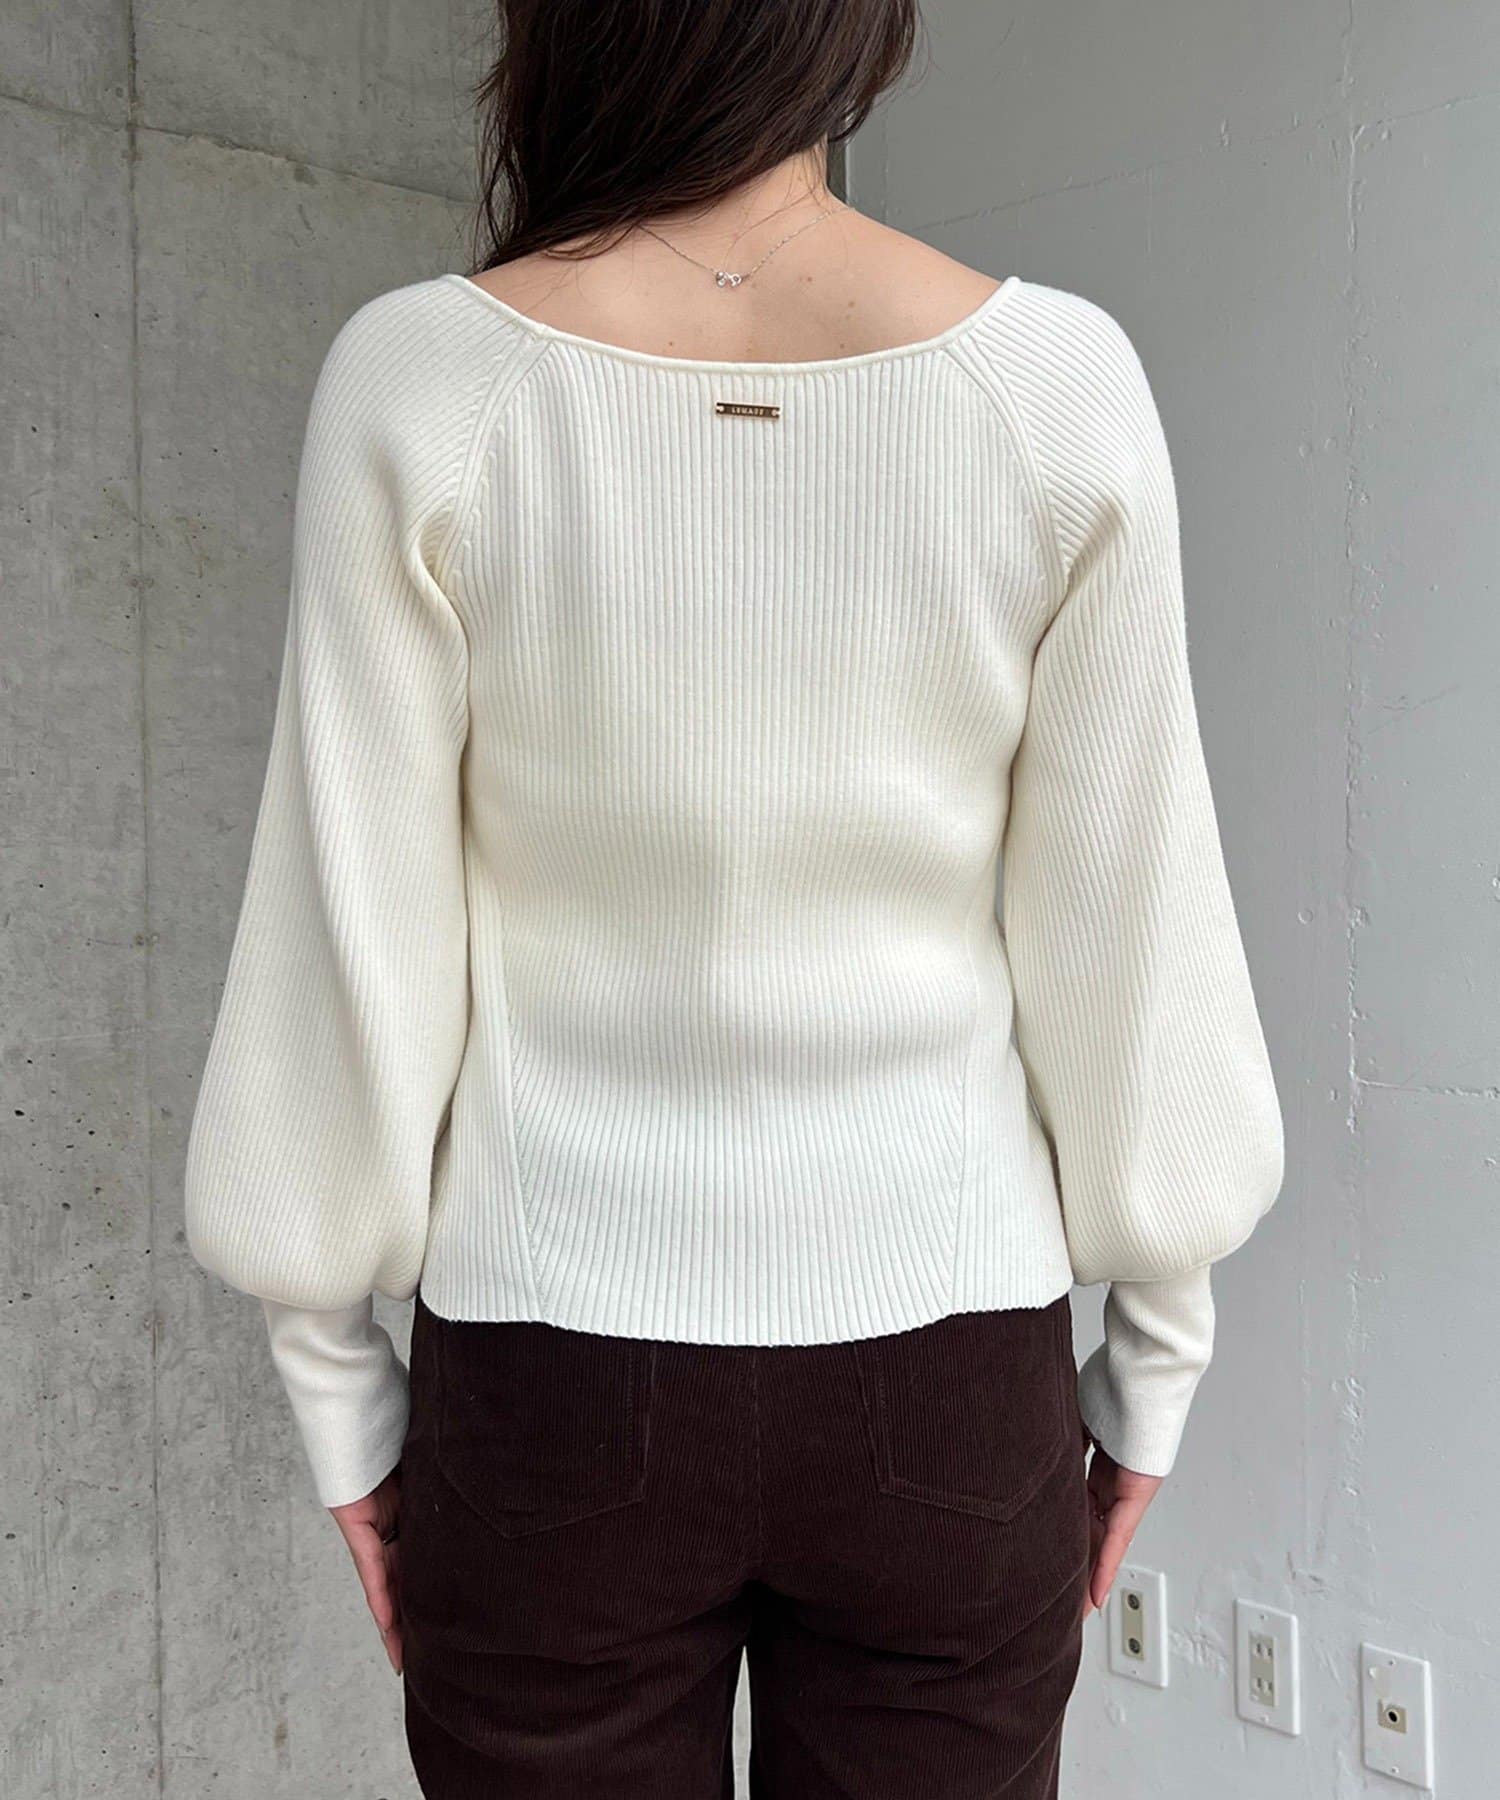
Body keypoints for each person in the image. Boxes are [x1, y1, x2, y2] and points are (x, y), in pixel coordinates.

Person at [182, 2, 1285, 1793]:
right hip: (952, 1378)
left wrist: (342, 1394)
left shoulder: (424, 378)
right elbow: (1131, 918)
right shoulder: (1053, 386)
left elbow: (350, 924)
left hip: (551, 1380)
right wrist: (1155, 1356)